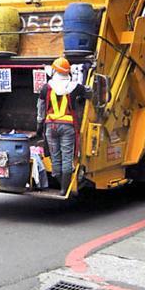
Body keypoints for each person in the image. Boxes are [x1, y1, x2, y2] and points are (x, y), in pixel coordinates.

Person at [36, 57, 92, 195]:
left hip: (51, 127)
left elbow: (40, 108)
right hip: (67, 127)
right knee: (67, 158)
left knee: (55, 157)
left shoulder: (46, 87)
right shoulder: (75, 86)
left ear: (55, 71)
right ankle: (64, 189)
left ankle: (63, 186)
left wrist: (39, 125)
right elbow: (90, 93)